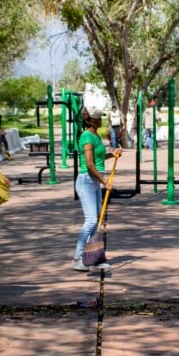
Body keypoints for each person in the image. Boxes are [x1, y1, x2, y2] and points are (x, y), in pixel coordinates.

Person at [73, 107, 122, 270]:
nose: (100, 120)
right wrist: (104, 181)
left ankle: (93, 257)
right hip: (87, 180)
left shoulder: (96, 136)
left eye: (101, 117)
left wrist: (112, 154)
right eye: (97, 118)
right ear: (90, 120)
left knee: (96, 221)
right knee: (91, 220)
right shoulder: (87, 136)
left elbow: (98, 157)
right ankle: (78, 258)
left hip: (94, 180)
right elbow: (89, 164)